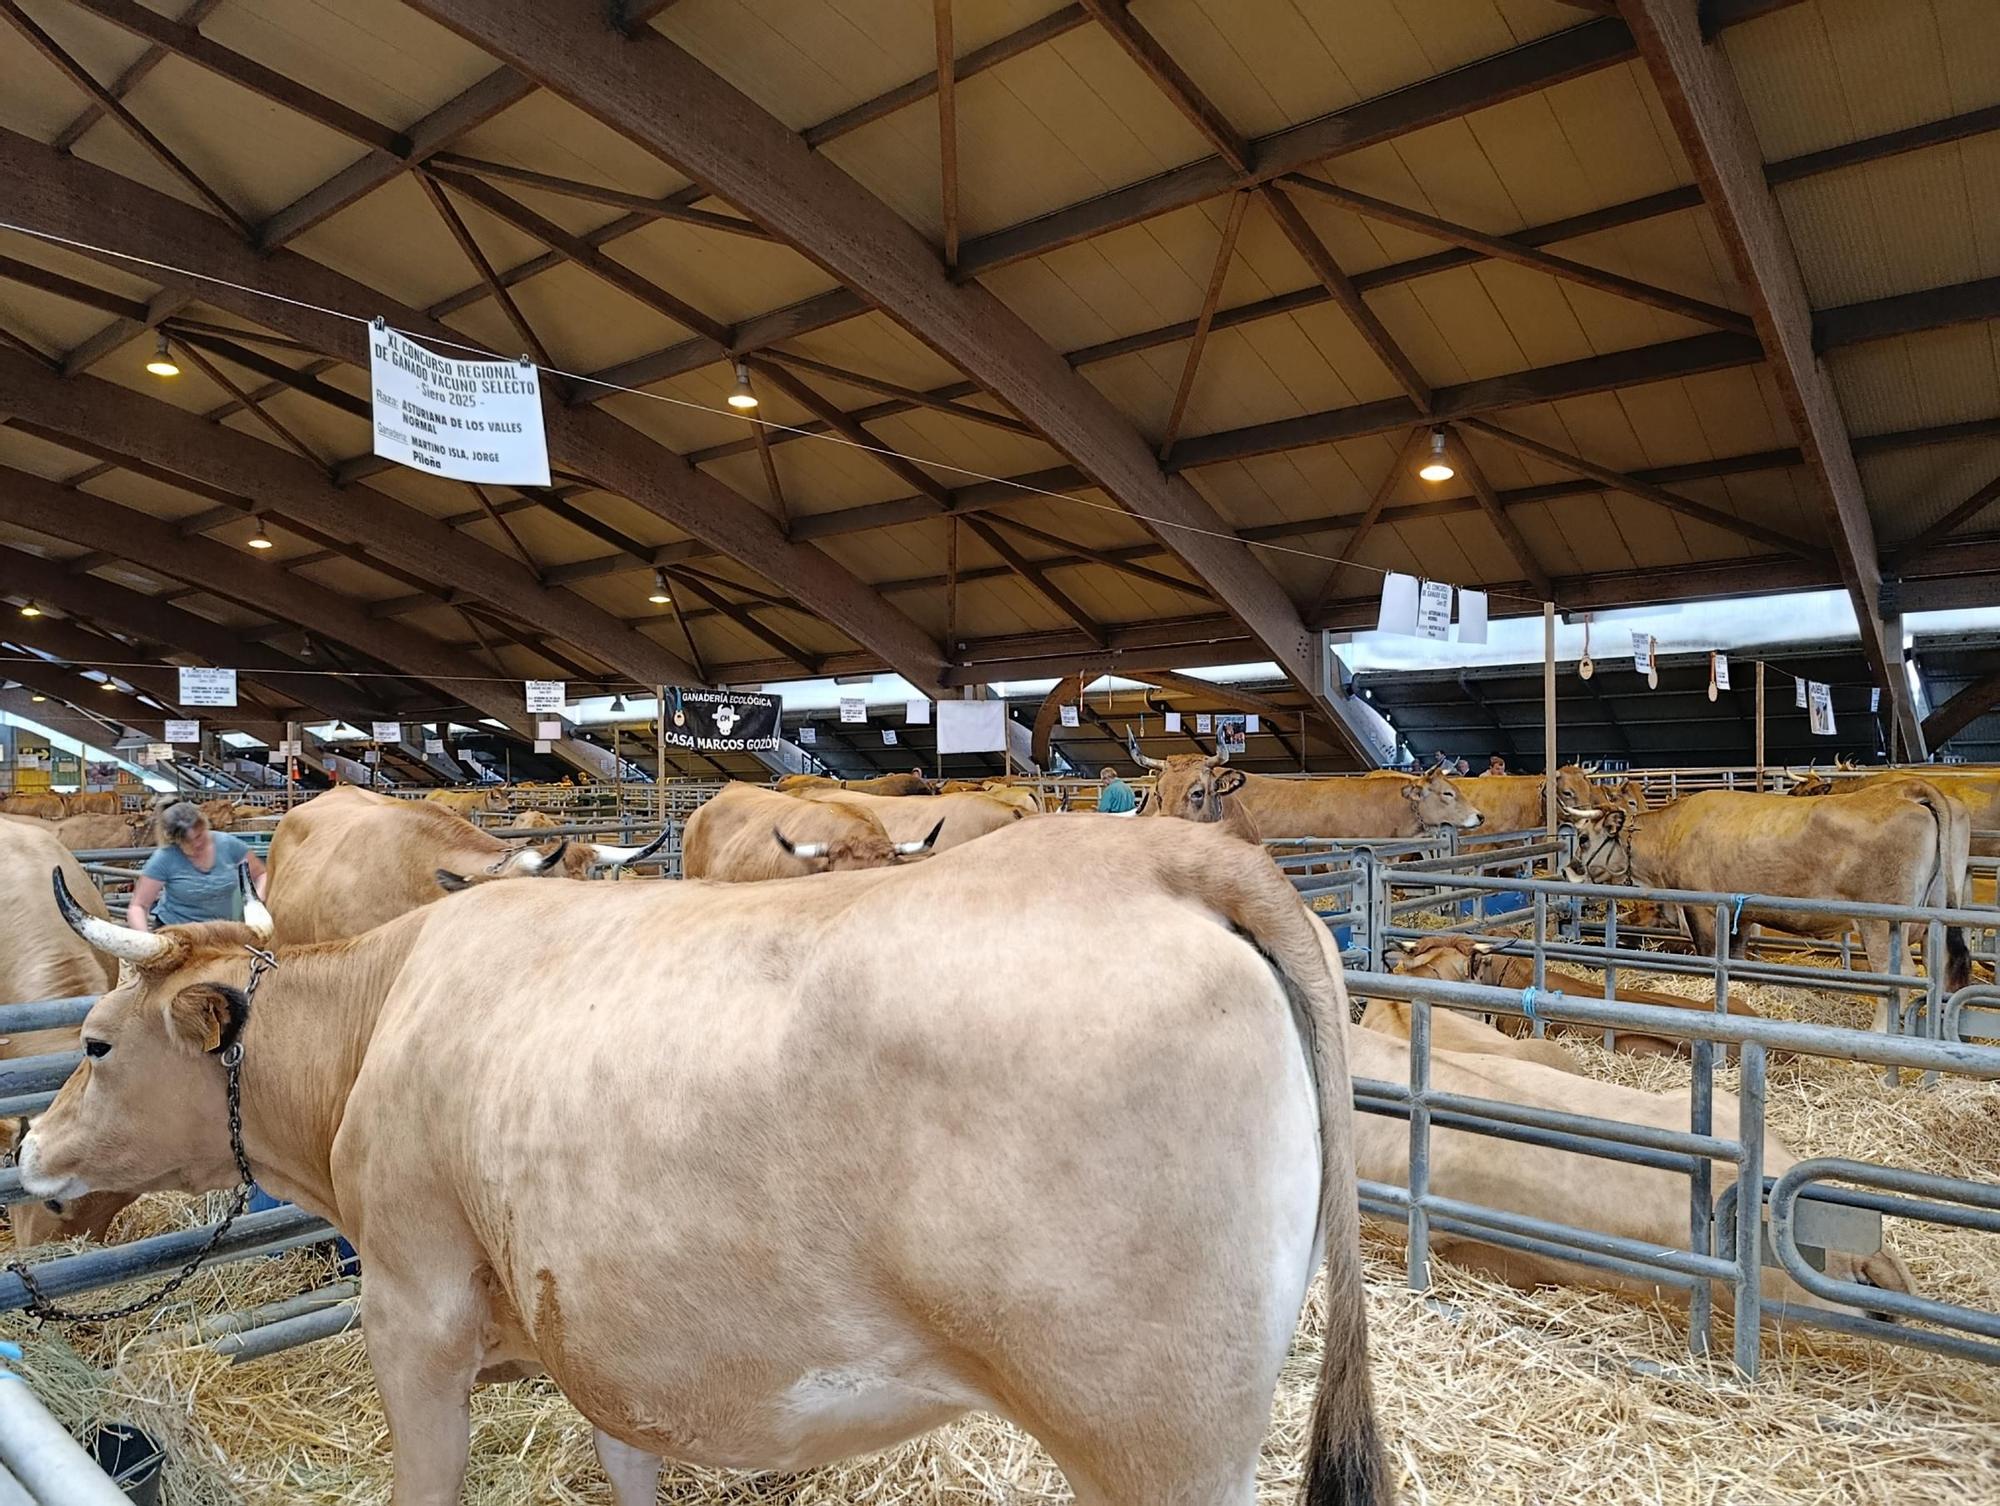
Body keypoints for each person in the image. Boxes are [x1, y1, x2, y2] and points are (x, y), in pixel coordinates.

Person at [126, 801, 268, 931]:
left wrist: (257, 902)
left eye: (200, 836)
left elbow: (261, 874)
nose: (198, 844)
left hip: (226, 932)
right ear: (176, 841)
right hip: (180, 935)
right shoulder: (165, 857)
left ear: (204, 825)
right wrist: (144, 938)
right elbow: (138, 906)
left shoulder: (228, 844)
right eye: (188, 841)